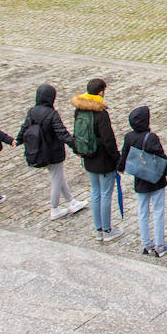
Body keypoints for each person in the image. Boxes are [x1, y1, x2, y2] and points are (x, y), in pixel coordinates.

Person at [18, 84, 88, 220]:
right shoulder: (51, 113)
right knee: (57, 179)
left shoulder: (32, 111)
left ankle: (71, 202)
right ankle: (54, 208)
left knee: (59, 177)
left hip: (39, 149)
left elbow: (25, 127)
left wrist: (18, 139)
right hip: (53, 152)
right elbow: (62, 133)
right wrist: (76, 147)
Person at [72, 78, 125, 241]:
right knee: (105, 194)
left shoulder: (79, 109)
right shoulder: (101, 113)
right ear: (101, 92)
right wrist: (118, 160)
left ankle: (98, 229)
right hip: (103, 159)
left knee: (95, 193)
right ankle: (107, 230)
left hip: (88, 157)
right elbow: (109, 140)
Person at [119, 105, 167, 256]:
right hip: (155, 179)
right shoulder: (151, 138)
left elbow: (124, 155)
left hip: (140, 179)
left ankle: (146, 243)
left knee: (142, 211)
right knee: (158, 211)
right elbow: (162, 158)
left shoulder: (129, 137)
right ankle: (160, 244)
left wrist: (120, 167)